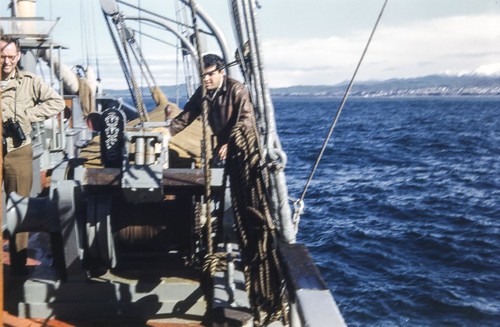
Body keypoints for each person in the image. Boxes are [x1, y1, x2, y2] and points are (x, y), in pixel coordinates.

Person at [1, 35, 66, 274]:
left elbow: (57, 102)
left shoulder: (29, 82)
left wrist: (27, 115)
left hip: (18, 151)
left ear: (18, 56)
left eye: (10, 56)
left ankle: (17, 265)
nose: (6, 61)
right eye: (2, 56)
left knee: (19, 207)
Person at [169, 54, 257, 163]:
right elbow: (186, 117)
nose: (206, 79)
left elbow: (247, 120)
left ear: (221, 72)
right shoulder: (201, 93)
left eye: (210, 74)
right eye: (203, 75)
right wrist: (167, 133)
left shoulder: (236, 90)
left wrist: (231, 144)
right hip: (220, 147)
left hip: (240, 147)